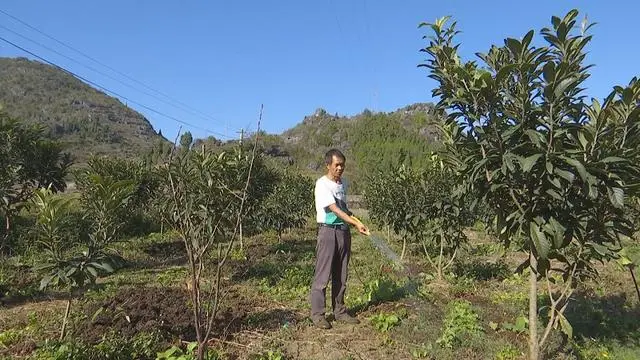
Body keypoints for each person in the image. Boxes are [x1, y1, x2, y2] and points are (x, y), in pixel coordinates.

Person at [310, 149, 369, 329]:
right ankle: (318, 314)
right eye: (336, 165)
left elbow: (344, 208)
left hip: (343, 231)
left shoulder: (343, 184)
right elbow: (334, 209)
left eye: (342, 164)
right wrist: (354, 222)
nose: (340, 168)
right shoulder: (322, 184)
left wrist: (355, 221)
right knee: (323, 275)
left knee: (341, 273)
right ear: (328, 165)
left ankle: (340, 311)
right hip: (328, 232)